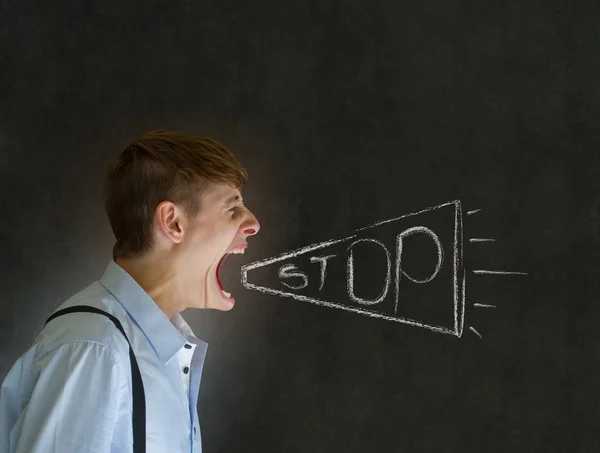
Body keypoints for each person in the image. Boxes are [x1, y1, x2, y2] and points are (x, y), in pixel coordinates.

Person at [0, 130, 260, 453]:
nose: (253, 224)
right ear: (173, 222)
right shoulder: (95, 347)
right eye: (232, 209)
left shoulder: (153, 349)